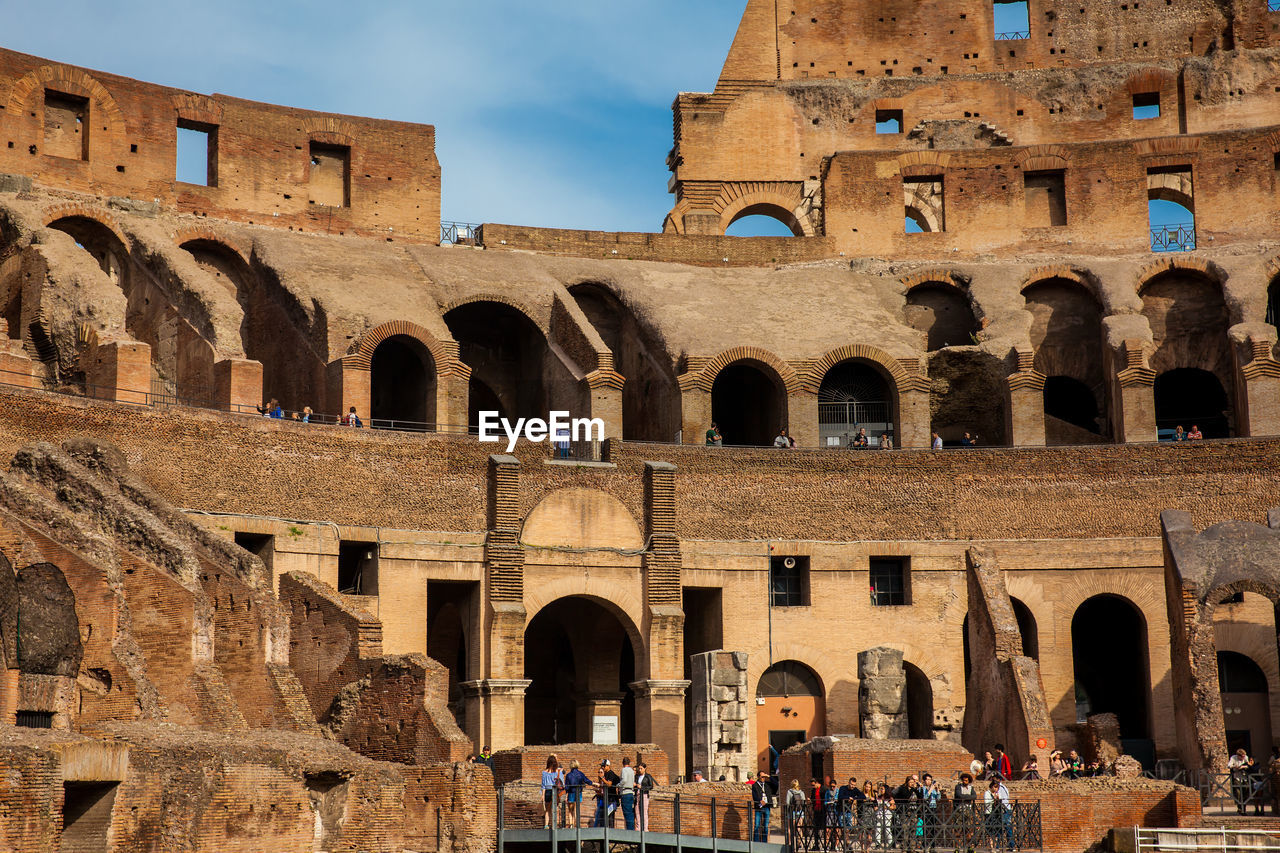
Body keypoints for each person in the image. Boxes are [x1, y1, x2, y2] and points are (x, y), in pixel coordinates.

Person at [984, 779, 1012, 849]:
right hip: (990, 813)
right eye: (995, 787)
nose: (996, 789)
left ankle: (997, 847)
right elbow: (987, 802)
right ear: (992, 786)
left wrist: (998, 799)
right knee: (991, 831)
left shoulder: (1002, 789)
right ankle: (993, 847)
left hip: (998, 813)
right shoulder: (987, 793)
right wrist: (994, 799)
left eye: (997, 787)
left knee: (999, 830)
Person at [593, 759, 620, 827]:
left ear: (608, 766)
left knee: (610, 816)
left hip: (611, 798)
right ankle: (605, 830)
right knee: (605, 815)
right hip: (607, 798)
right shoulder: (606, 773)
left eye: (604, 766)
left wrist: (602, 778)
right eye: (602, 766)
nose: (602, 767)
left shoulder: (611, 773)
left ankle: (610, 831)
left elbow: (609, 784)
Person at [564, 759, 589, 828]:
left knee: (570, 810)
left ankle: (571, 824)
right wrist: (593, 783)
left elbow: (567, 787)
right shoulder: (580, 774)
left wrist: (566, 795)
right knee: (576, 809)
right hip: (579, 793)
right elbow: (586, 780)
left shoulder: (568, 775)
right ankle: (577, 824)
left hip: (571, 793)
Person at [1229, 747, 1255, 814]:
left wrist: (1244, 767)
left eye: (1244, 756)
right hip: (1237, 777)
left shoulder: (1246, 757)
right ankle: (1240, 808)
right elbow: (1229, 765)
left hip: (1245, 777)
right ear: (1238, 756)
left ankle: (1244, 808)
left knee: (1246, 792)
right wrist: (1235, 767)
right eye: (1242, 757)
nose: (1243, 758)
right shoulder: (1233, 758)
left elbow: (1249, 765)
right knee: (1238, 793)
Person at [541, 754, 564, 828]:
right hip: (555, 791)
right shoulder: (558, 772)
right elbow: (562, 783)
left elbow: (543, 785)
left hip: (547, 791)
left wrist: (542, 795)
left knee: (547, 809)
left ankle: (546, 825)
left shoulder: (544, 772)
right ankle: (554, 825)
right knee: (555, 809)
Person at [873, 783, 896, 848]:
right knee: (878, 829)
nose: (881, 790)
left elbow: (894, 807)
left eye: (882, 789)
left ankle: (890, 843)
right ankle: (878, 844)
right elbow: (876, 805)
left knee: (887, 829)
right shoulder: (879, 797)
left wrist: (887, 807)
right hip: (879, 815)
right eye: (881, 789)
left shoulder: (889, 798)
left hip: (887, 815)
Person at [751, 770, 771, 842]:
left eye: (764, 777)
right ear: (758, 777)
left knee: (765, 826)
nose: (763, 778)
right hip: (759, 807)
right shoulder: (755, 785)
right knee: (757, 825)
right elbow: (754, 796)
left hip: (766, 807)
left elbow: (776, 784)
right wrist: (760, 801)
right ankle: (756, 842)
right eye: (762, 777)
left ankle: (764, 842)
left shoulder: (767, 785)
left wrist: (768, 776)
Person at [635, 762, 654, 831]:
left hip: (644, 794)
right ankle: (638, 827)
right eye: (639, 769)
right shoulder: (637, 776)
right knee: (637, 810)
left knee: (644, 811)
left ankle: (645, 828)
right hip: (637, 794)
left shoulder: (648, 776)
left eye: (641, 768)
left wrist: (642, 787)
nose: (640, 770)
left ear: (645, 769)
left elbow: (651, 786)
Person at [619, 757, 636, 829]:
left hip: (625, 792)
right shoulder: (632, 771)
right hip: (631, 792)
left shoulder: (624, 770)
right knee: (630, 812)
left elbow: (624, 780)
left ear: (623, 763)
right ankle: (631, 828)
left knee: (626, 812)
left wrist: (618, 785)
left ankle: (630, 830)